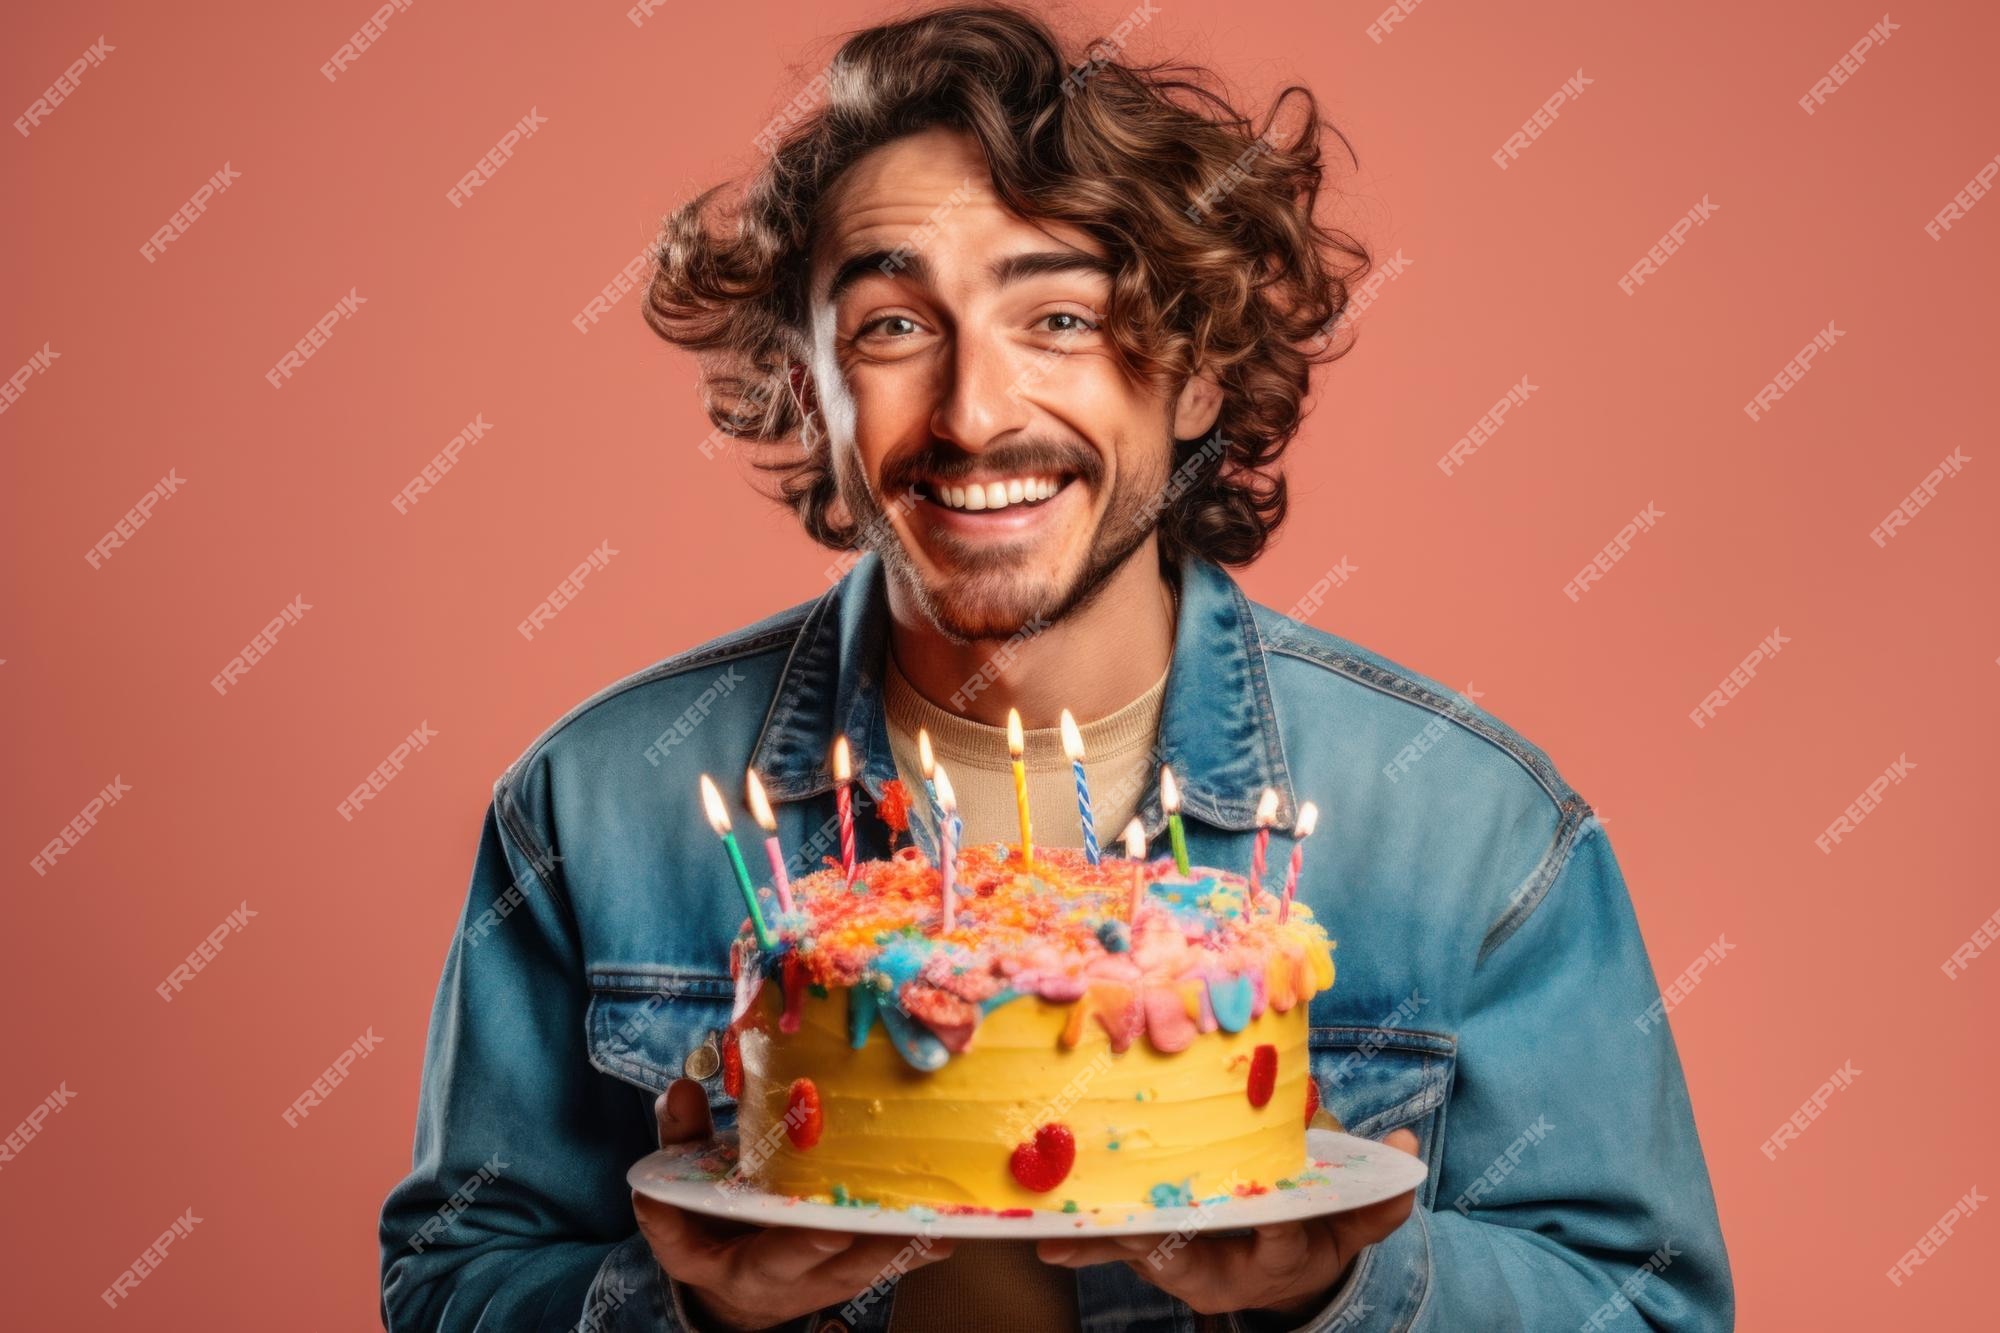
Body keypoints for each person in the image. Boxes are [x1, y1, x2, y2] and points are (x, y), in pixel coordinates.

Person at [379, 6, 1733, 1330]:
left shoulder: (1468, 831)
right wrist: (681, 1307)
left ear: (1196, 375)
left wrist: (1341, 1287)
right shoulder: (597, 806)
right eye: (893, 327)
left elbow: (1652, 1309)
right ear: (808, 385)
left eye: (1065, 322)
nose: (976, 413)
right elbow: (448, 1288)